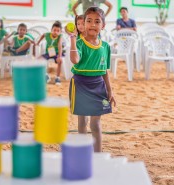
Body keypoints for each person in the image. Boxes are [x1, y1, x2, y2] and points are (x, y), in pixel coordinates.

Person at [66, 7, 116, 152]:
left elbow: (104, 71)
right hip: (80, 84)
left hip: (99, 85)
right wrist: (73, 39)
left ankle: (98, 155)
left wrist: (110, 90)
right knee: (82, 120)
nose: (93, 25)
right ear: (83, 24)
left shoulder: (105, 47)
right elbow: (75, 59)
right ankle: (83, 152)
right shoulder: (80, 44)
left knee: (95, 124)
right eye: (89, 21)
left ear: (103, 25)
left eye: (97, 21)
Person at [36, 21, 64, 85]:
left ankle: (57, 77)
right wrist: (38, 42)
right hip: (48, 52)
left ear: (60, 32)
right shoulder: (48, 34)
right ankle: (46, 75)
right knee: (38, 59)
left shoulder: (60, 36)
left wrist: (59, 56)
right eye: (54, 30)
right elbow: (43, 35)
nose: (56, 32)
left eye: (58, 31)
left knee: (60, 61)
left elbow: (60, 45)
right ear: (51, 30)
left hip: (56, 53)